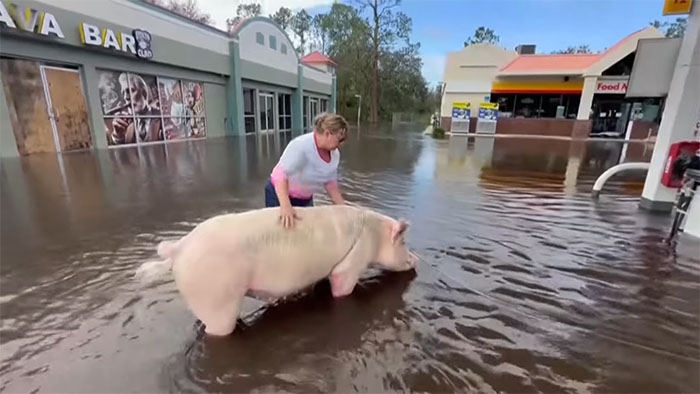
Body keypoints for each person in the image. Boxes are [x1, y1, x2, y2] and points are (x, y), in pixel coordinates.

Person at [265, 112, 349, 228]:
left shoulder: (335, 155)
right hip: (280, 195)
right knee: (280, 234)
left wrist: (343, 208)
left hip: (305, 198)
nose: (341, 144)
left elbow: (330, 182)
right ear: (328, 134)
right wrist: (285, 206)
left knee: (307, 232)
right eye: (339, 140)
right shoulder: (301, 146)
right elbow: (279, 175)